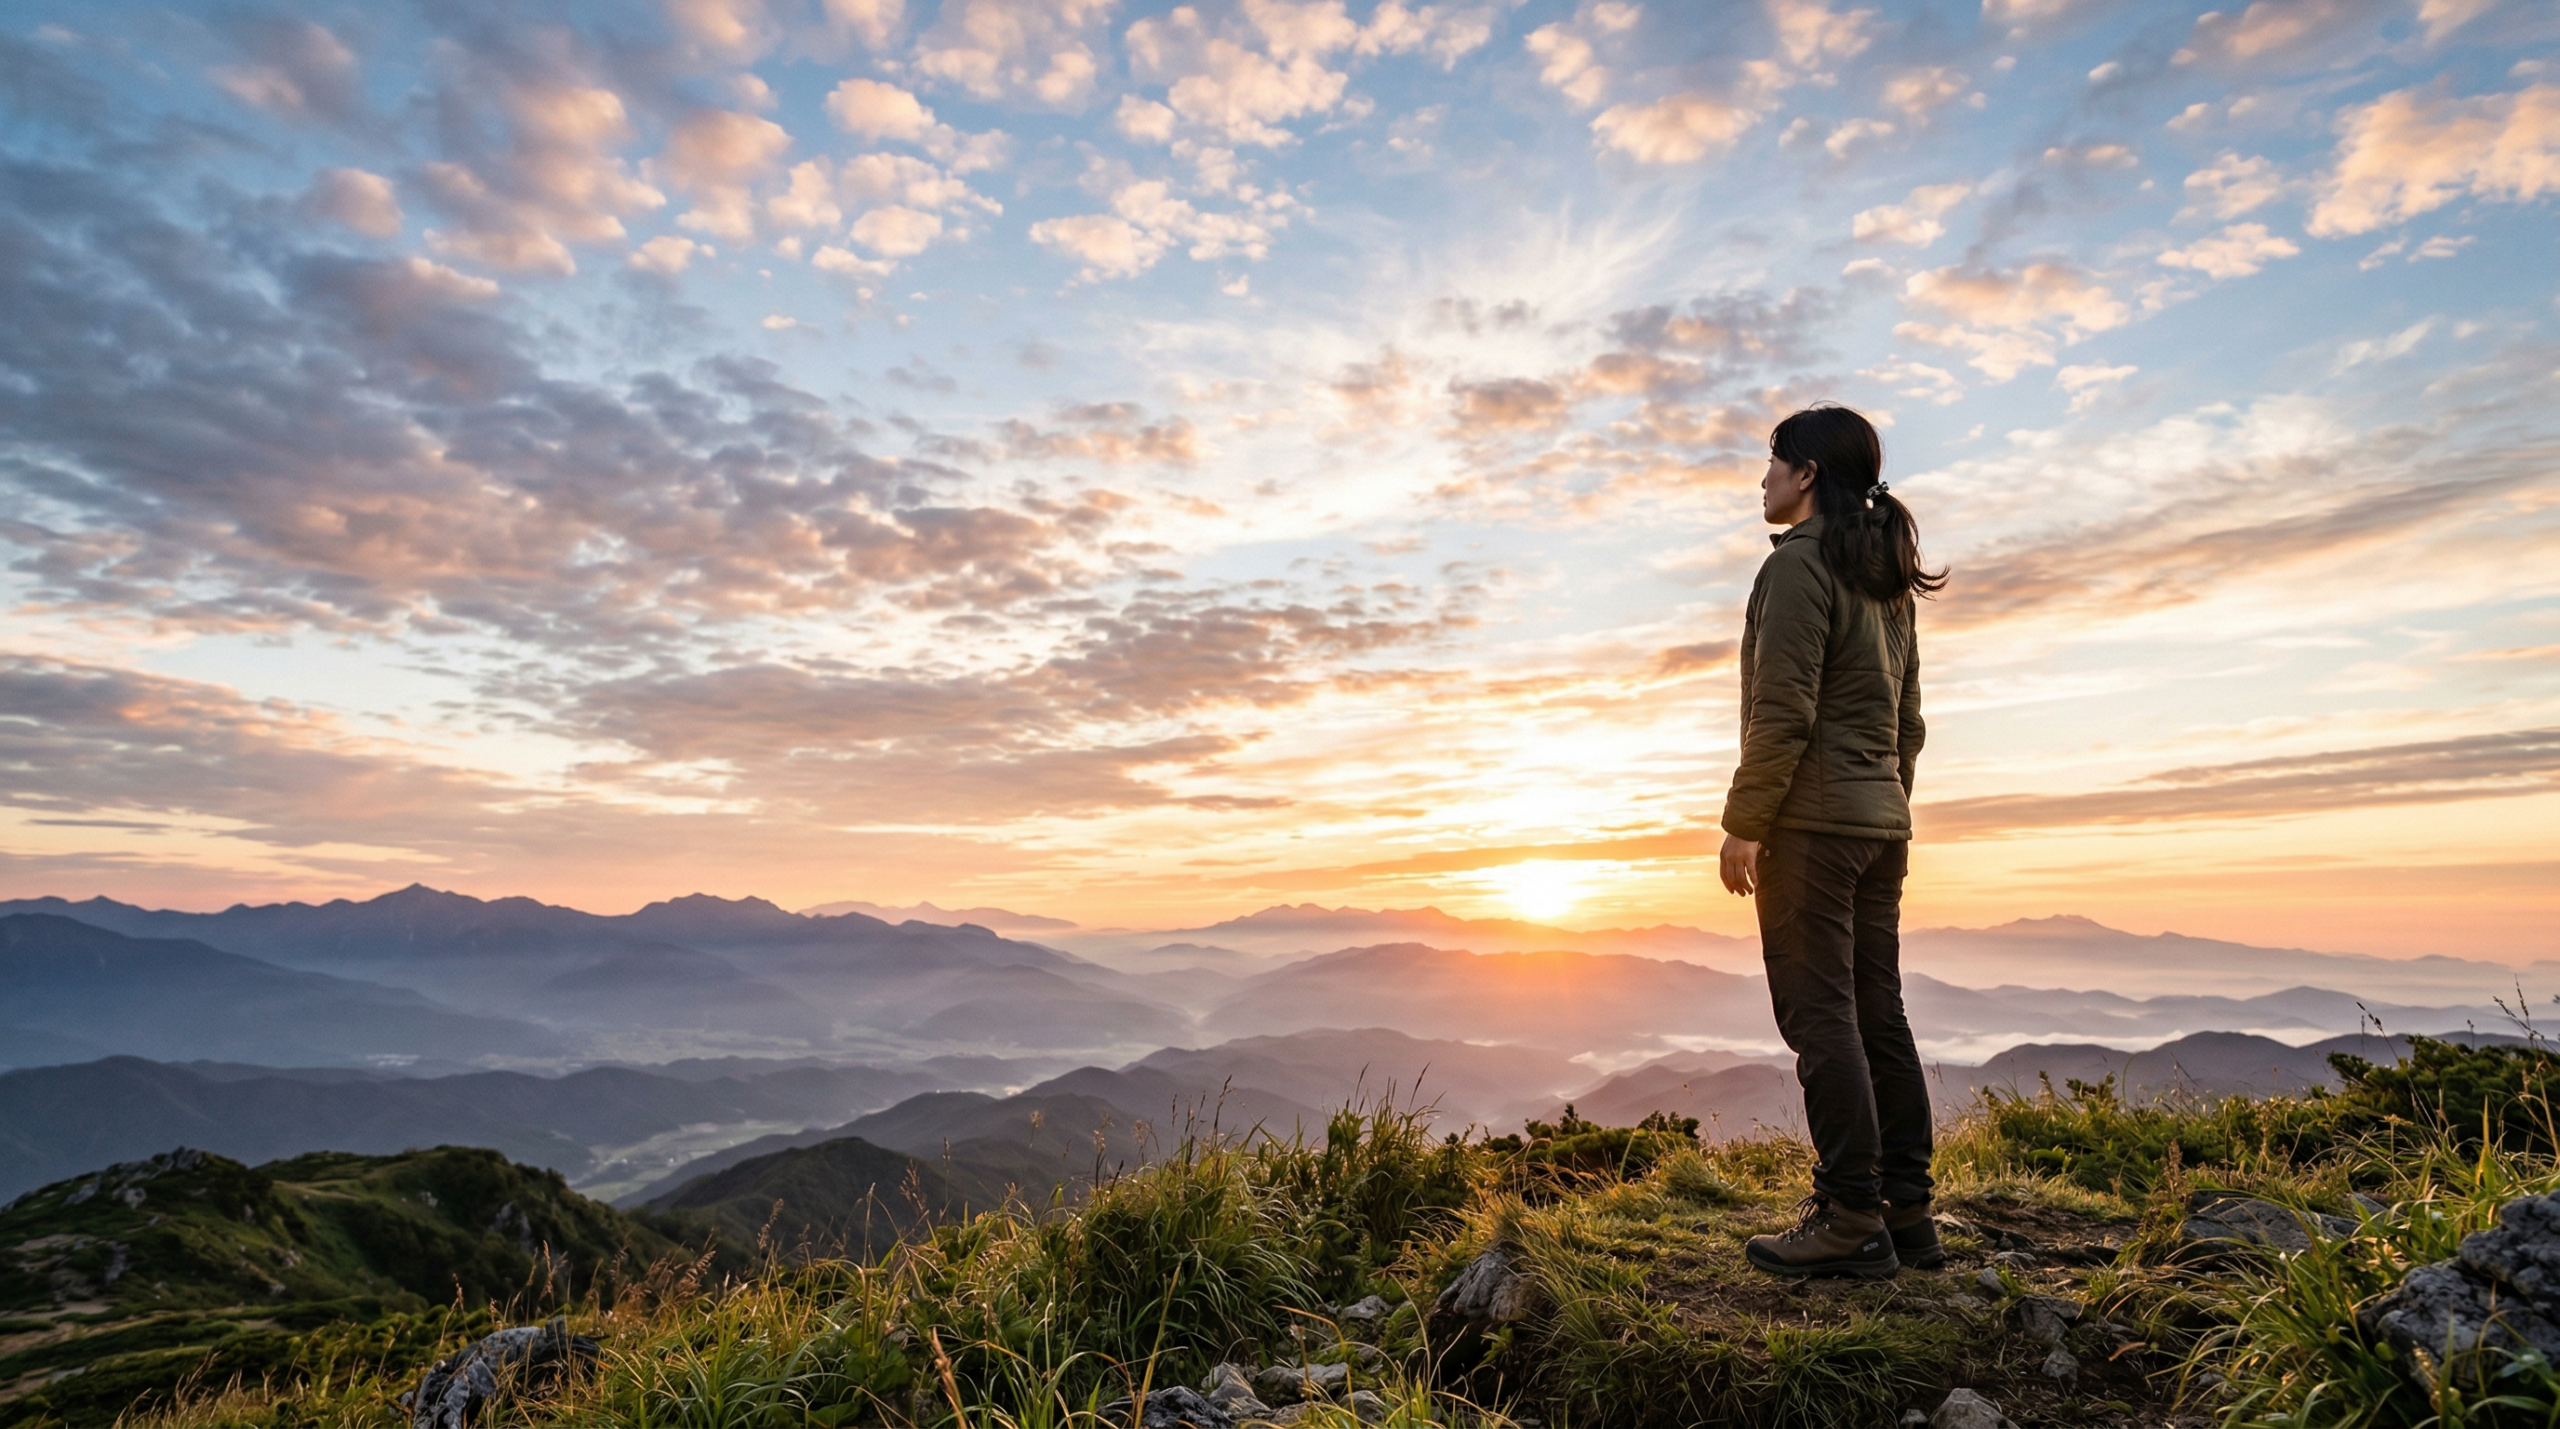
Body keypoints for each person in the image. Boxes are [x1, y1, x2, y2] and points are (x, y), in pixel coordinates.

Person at [1719, 404, 1947, 1279]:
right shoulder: (1882, 576)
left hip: (1813, 829)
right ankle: (1907, 1214)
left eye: (1774, 462)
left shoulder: (1800, 570)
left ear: (1807, 473)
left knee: (1822, 1019)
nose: (1765, 478)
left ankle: (1851, 1214)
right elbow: (1909, 724)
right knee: (1877, 1012)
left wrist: (1746, 823)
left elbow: (1782, 713)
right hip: (1880, 827)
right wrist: (1884, 805)